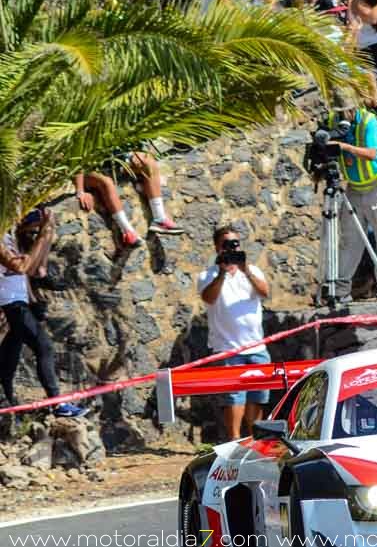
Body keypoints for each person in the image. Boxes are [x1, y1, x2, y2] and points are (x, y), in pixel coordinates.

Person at [0, 210, 84, 416]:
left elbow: (38, 270)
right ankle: (57, 404)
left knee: (8, 360)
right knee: (44, 346)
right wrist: (44, 232)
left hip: (19, 302)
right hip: (9, 304)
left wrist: (48, 230)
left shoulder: (10, 235)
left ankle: (6, 405)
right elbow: (21, 266)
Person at [198, 225, 271, 441]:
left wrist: (245, 269)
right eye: (226, 245)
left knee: (257, 396)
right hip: (228, 348)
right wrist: (222, 272)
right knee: (234, 398)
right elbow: (209, 298)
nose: (231, 248)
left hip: (256, 346)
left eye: (235, 244)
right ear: (217, 247)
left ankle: (256, 439)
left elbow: (265, 292)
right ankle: (235, 441)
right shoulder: (208, 275)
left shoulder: (252, 271)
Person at [328, 99, 377, 298]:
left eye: (346, 111)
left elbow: (371, 154)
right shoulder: (332, 120)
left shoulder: (369, 121)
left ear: (354, 106)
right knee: (349, 241)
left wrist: (344, 147)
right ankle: (340, 291)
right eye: (340, 111)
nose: (343, 115)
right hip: (354, 188)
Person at [74, 151, 183, 246]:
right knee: (106, 182)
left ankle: (160, 219)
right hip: (89, 168)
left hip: (116, 161)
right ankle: (127, 232)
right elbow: (77, 158)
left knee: (149, 162)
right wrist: (81, 191)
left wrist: (136, 154)